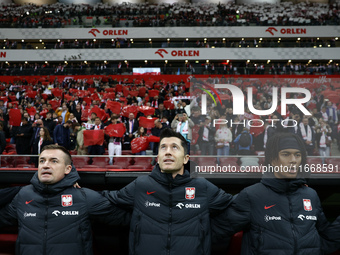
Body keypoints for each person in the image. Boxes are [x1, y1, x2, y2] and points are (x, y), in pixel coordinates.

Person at [103, 128, 233, 255]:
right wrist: (82, 190)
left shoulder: (202, 187)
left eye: (174, 147)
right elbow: (104, 201)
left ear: (186, 158)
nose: (168, 152)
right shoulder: (141, 185)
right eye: (163, 147)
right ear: (158, 157)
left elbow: (239, 206)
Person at [213, 132, 339, 254]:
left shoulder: (311, 195)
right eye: (286, 154)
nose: (293, 160)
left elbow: (327, 240)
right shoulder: (252, 195)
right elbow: (213, 233)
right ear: (273, 160)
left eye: (297, 155)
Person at [0, 144, 129, 255]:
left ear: (68, 169)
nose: (46, 165)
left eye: (54, 161)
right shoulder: (23, 196)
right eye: (42, 161)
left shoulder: (84, 197)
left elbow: (130, 219)